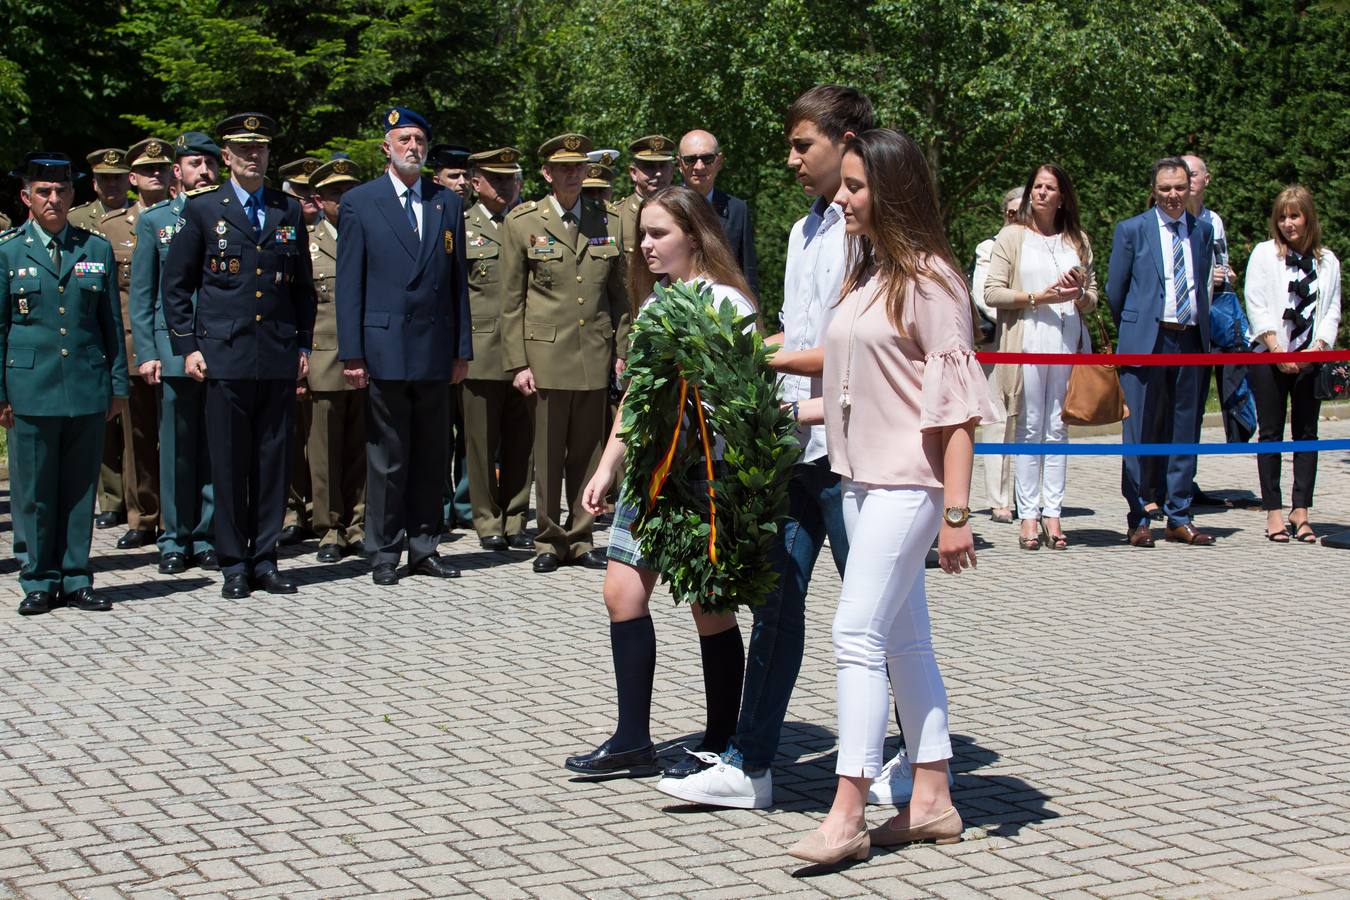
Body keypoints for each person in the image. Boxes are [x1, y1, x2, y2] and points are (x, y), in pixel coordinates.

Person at [655, 85, 870, 811]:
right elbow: (799, 330)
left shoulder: (870, 231)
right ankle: (750, 765)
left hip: (856, 457)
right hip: (800, 450)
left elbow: (853, 352)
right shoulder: (805, 231)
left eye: (803, 144)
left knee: (877, 617)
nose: (791, 159)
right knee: (776, 605)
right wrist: (737, 351)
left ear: (845, 139)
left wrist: (763, 362)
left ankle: (914, 760)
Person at [787, 128, 997, 865]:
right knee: (904, 642)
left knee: (855, 636)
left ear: (893, 190)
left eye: (854, 187)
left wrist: (959, 513)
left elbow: (956, 409)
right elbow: (864, 390)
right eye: (841, 185)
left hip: (911, 486)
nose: (840, 198)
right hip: (858, 482)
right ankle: (932, 799)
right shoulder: (870, 275)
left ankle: (847, 810)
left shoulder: (932, 280)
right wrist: (787, 411)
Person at [563, 185, 752, 779]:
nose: (645, 245)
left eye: (658, 233)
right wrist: (606, 467)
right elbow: (636, 399)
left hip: (702, 476)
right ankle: (631, 740)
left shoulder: (726, 302)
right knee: (621, 592)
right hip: (649, 475)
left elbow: (738, 400)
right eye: (641, 234)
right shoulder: (654, 305)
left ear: (694, 236)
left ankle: (723, 737)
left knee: (708, 607)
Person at [161, 112, 317, 599]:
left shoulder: (286, 209)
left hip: (274, 353)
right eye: (244, 150)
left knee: (273, 461)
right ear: (226, 157)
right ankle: (233, 562)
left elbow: (304, 289)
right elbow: (176, 286)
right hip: (223, 354)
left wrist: (303, 345)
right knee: (228, 462)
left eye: (262, 149)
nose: (254, 157)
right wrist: (187, 347)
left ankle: (265, 558)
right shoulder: (205, 209)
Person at [335, 106, 471, 586]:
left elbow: (458, 283)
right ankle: (384, 551)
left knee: (433, 453)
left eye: (419, 139)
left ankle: (424, 546)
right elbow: (349, 282)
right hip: (385, 346)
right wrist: (352, 352)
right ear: (385, 148)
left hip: (434, 348)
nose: (413, 147)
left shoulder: (445, 201)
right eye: (404, 139)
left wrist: (461, 349)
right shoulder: (360, 201)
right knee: (388, 456)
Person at [1, 152, 130, 615]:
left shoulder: (93, 249)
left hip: (86, 385)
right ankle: (38, 579)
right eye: (43, 192)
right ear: (26, 198)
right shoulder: (8, 251)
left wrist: (117, 387)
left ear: (74, 195)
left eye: (61, 192)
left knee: (79, 490)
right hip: (30, 388)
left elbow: (110, 324)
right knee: (35, 491)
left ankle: (76, 576)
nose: (53, 199)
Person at [500, 132, 628, 573]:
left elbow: (619, 296)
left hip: (594, 352)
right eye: (563, 168)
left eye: (578, 167)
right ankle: (548, 539)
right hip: (545, 357)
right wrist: (517, 362)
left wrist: (623, 350)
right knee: (549, 453)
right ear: (546, 173)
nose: (573, 174)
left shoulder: (607, 219)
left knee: (589, 451)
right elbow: (511, 299)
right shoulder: (523, 222)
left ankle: (581, 535)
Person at [985, 165, 1098, 551]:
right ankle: (1028, 514)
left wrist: (1079, 292)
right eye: (1037, 186)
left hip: (1067, 344)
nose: (1042, 193)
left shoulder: (1076, 240)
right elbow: (992, 293)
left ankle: (1053, 511)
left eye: (1050, 188)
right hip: (1027, 343)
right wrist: (1040, 297)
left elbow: (1092, 299)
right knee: (1030, 428)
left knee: (1058, 427)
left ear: (1062, 196)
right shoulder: (1012, 236)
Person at [1106, 157, 1216, 547]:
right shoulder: (1132, 230)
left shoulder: (1202, 232)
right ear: (1154, 190)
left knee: (1184, 430)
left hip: (1189, 340)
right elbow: (1115, 291)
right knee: (1138, 432)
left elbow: (1202, 285)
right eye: (1165, 188)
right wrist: (1137, 328)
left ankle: (1179, 514)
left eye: (1179, 188)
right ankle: (1138, 517)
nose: (1173, 195)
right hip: (1146, 343)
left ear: (1190, 189)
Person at [129, 131, 222, 574]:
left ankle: (207, 535)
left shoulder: (230, 215)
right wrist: (147, 351)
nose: (203, 171)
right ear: (176, 173)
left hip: (222, 348)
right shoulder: (156, 221)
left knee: (215, 446)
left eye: (209, 163)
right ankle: (173, 537)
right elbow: (144, 295)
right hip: (173, 349)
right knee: (176, 448)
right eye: (193, 164)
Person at [73, 138, 168, 550]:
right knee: (138, 438)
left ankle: (184, 520)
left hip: (182, 345)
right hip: (132, 344)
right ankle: (143, 516)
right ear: (133, 179)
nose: (156, 176)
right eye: (147, 170)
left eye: (163, 168)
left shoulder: (193, 217)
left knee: (183, 437)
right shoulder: (110, 227)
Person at [1244, 185, 1341, 543]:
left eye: (1294, 216)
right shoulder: (1264, 254)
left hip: (1310, 360)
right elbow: (1254, 301)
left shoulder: (1327, 261)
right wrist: (1275, 348)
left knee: (1306, 434)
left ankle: (1301, 510)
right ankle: (1272, 510)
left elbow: (1331, 310)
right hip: (1270, 357)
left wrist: (1316, 349)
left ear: (1308, 218)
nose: (1288, 223)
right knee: (1270, 433)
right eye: (1282, 216)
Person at [460, 147, 534, 552]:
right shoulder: (460, 224)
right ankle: (486, 519)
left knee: (522, 440)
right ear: (475, 183)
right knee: (481, 442)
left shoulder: (527, 223)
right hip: (481, 350)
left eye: (512, 178)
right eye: (497, 178)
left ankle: (516, 516)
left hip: (527, 351)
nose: (507, 185)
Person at [305, 157, 367, 562]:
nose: (342, 201)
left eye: (348, 192)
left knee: (363, 448)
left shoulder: (370, 233)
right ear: (318, 199)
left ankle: (360, 524)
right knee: (324, 449)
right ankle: (329, 529)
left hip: (369, 359)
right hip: (324, 358)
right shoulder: (304, 241)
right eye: (334, 194)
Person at [429, 143, 475, 530]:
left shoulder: (477, 218)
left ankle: (465, 503)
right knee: (439, 431)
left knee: (473, 435)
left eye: (465, 177)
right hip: (439, 342)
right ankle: (439, 501)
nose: (461, 184)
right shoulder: (436, 214)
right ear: (437, 179)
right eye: (453, 176)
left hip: (477, 343)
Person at [277, 155, 322, 547]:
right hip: (287, 349)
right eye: (300, 190)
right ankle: (293, 511)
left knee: (321, 441)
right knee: (291, 438)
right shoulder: (279, 228)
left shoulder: (336, 231)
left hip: (328, 351)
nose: (307, 197)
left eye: (314, 191)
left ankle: (323, 511)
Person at [970, 187, 1022, 524]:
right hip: (999, 344)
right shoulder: (989, 248)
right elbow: (984, 296)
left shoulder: (1037, 248)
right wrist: (1030, 301)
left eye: (1023, 212)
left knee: (1030, 424)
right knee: (998, 422)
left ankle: (1030, 496)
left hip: (1034, 345)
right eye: (1011, 213)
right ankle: (999, 499)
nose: (1016, 219)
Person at [678, 129, 759, 295]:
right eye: (690, 160)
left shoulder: (738, 210)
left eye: (707, 159)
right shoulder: (665, 208)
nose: (699, 166)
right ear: (680, 164)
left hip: (725, 310)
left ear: (719, 161)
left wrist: (754, 315)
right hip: (674, 309)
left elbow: (747, 272)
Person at [615, 135, 677, 268]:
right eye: (649, 167)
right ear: (633, 173)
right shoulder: (616, 216)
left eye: (662, 166)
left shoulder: (684, 211)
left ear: (672, 171)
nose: (658, 173)